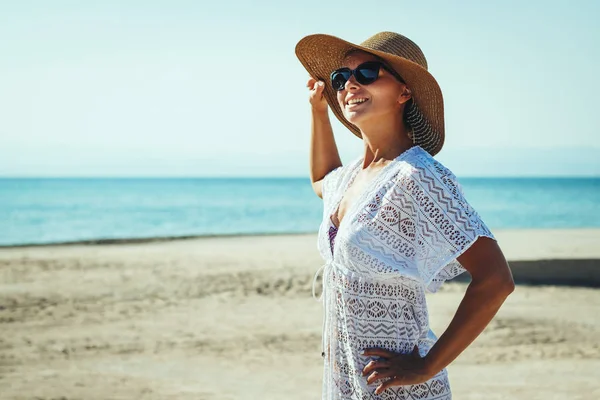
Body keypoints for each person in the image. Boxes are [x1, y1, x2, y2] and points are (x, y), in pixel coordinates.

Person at [295, 32, 515, 399]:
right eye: (340, 78)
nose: (349, 83)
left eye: (367, 72)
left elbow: (495, 279)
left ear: (404, 92)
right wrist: (319, 111)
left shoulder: (418, 176)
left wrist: (428, 366)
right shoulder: (351, 177)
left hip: (398, 388)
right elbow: (320, 179)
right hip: (347, 385)